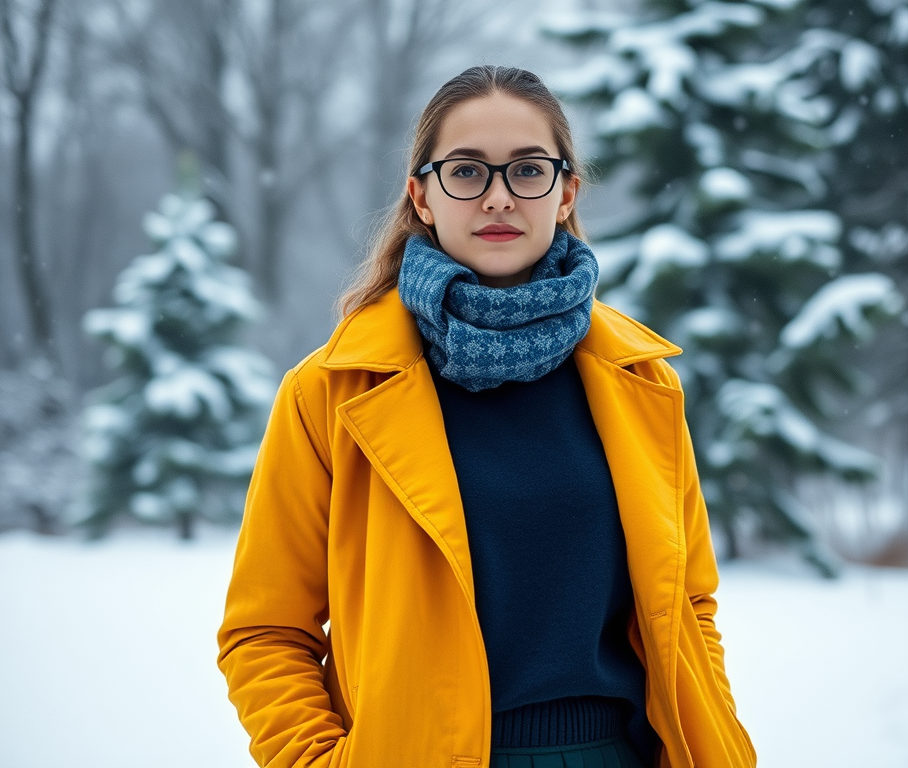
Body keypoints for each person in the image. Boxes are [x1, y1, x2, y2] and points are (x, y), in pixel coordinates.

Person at [217, 65, 756, 768]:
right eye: (467, 172)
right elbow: (265, 630)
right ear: (422, 195)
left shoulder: (641, 382)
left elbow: (689, 607)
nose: (499, 197)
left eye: (528, 171)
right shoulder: (331, 393)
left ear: (566, 194)